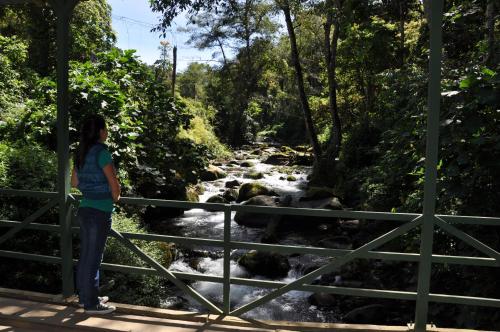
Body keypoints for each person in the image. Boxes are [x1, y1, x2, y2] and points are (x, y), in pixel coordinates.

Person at [71, 114, 120, 314]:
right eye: (105, 128)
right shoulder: (102, 153)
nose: (107, 132)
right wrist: (116, 196)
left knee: (86, 256)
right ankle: (92, 304)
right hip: (100, 211)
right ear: (100, 132)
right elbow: (113, 185)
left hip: (84, 209)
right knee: (93, 258)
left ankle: (85, 297)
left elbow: (74, 183)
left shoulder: (81, 151)